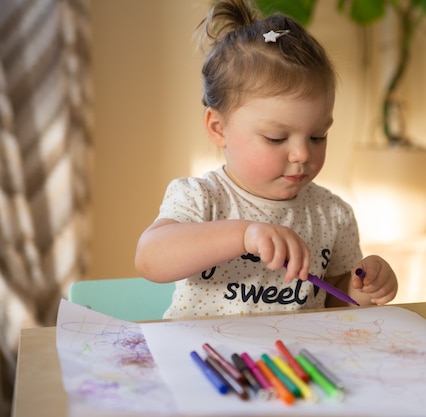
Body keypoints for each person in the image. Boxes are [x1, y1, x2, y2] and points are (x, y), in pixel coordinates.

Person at [134, 0, 398, 319]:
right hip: (206, 358)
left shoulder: (333, 215)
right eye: (276, 138)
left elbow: (334, 303)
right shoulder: (200, 197)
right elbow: (150, 259)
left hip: (292, 363)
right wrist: (244, 235)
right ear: (218, 129)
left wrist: (363, 287)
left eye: (317, 136)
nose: (302, 154)